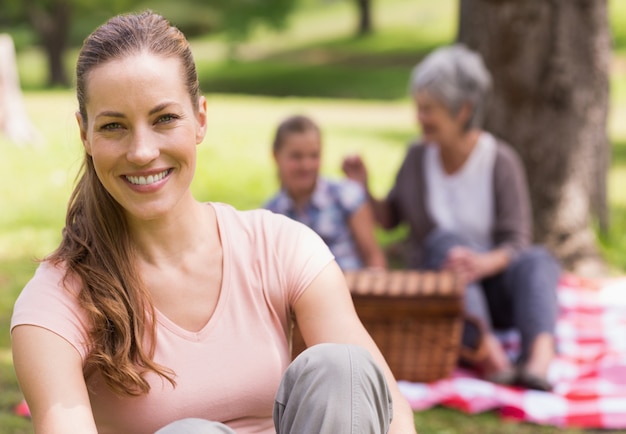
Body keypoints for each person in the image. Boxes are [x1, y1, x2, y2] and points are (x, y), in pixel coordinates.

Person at [10, 11, 417, 434]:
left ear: (200, 118)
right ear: (85, 135)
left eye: (164, 118)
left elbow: (393, 413)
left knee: (344, 367)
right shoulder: (53, 303)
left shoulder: (280, 247)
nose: (143, 151)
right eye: (114, 126)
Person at [342, 44, 560, 391]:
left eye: (428, 109)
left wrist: (483, 263)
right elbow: (390, 217)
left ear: (463, 110)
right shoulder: (417, 157)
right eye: (419, 108)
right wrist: (363, 190)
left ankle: (538, 357)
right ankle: (486, 350)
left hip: (494, 290)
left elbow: (517, 241)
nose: (419, 118)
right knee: (446, 240)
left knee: (539, 259)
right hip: (442, 295)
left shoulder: (500, 161)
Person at [264, 114, 387, 271]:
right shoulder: (271, 215)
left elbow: (374, 258)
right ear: (276, 156)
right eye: (296, 156)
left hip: (353, 291)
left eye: (314, 156)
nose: (306, 166)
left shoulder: (347, 196)